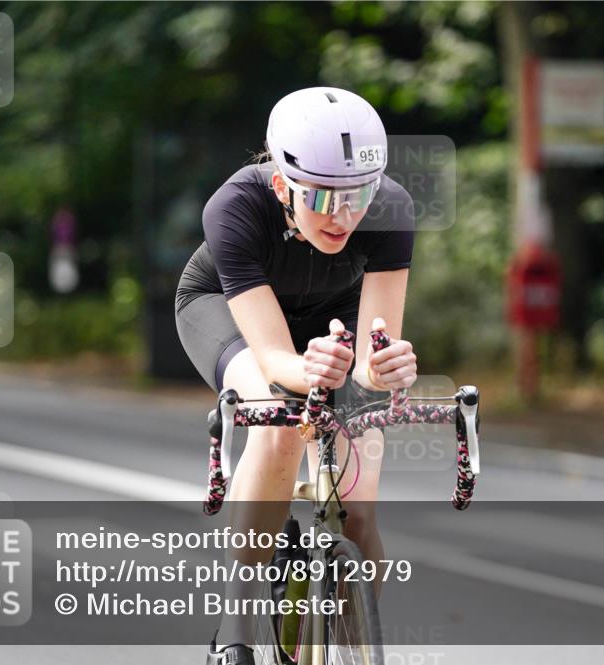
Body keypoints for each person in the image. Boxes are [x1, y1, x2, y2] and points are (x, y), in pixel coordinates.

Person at [175, 86, 418, 664]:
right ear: (282, 184)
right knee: (283, 422)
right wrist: (308, 370)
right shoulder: (233, 207)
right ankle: (234, 629)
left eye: (359, 194)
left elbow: (373, 350)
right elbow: (274, 359)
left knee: (359, 515)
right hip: (231, 314)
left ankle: (349, 642)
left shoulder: (391, 208)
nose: (343, 215)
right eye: (322, 197)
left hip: (330, 317)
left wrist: (387, 367)